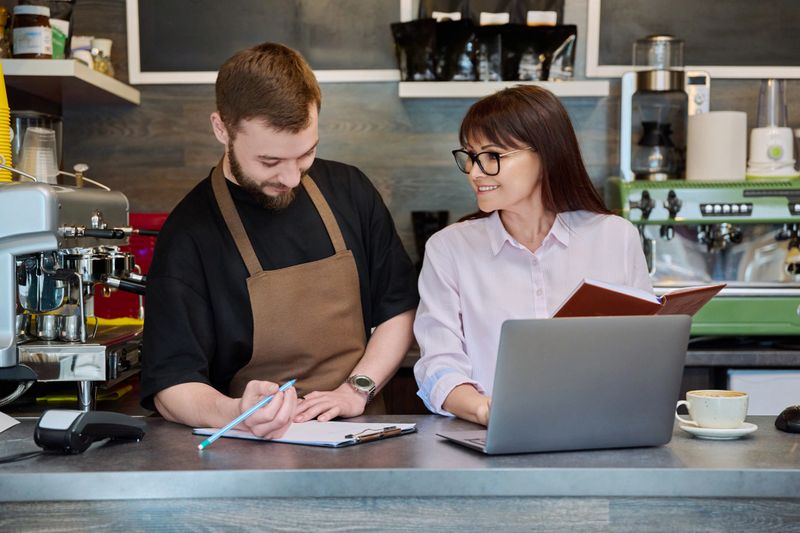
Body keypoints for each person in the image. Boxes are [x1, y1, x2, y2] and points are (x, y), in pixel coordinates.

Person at [141, 42, 418, 438]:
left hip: (362, 435)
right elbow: (171, 385)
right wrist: (235, 411)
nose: (291, 179)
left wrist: (356, 390)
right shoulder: (189, 235)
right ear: (222, 128)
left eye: (306, 154)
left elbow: (398, 309)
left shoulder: (349, 190)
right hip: (250, 451)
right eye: (270, 162)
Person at [413, 86, 652, 426]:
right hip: (489, 438)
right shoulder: (448, 248)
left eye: (492, 156)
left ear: (546, 155)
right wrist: (485, 410)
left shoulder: (615, 238)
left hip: (600, 430)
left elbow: (643, 352)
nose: (475, 172)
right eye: (470, 156)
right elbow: (438, 365)